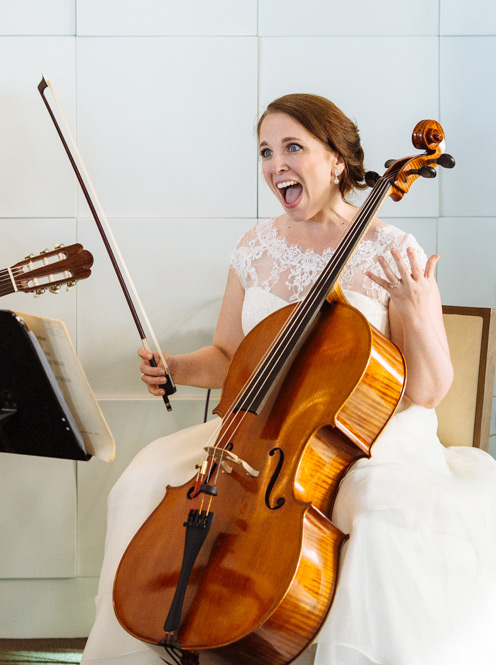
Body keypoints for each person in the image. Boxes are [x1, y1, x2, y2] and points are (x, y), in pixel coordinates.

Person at [81, 93, 496, 665]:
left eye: (293, 147)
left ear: (336, 161)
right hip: (263, 432)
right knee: (145, 477)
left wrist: (419, 309)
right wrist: (176, 366)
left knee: (378, 506)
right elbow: (230, 356)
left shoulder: (392, 249)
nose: (276, 163)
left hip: (368, 437)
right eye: (266, 151)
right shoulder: (256, 247)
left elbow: (426, 392)